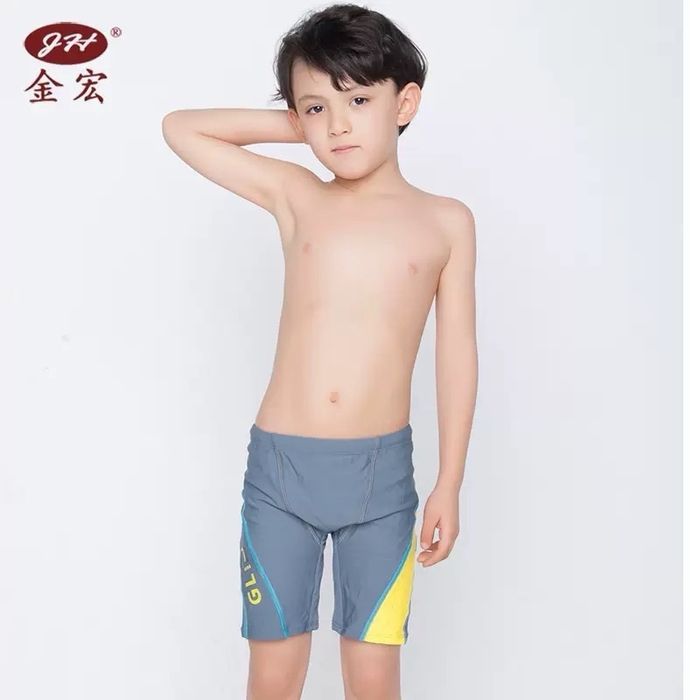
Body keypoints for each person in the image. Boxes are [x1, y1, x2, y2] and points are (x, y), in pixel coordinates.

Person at [161, 3, 477, 698]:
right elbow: (180, 127)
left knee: (373, 678)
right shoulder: (297, 194)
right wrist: (296, 125)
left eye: (358, 100)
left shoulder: (445, 222)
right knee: (273, 677)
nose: (337, 125)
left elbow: (457, 358)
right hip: (280, 474)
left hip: (381, 483)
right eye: (316, 108)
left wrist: (449, 481)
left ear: (405, 103)